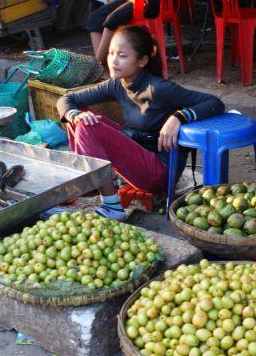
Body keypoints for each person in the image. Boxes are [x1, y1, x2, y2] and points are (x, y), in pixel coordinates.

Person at [58, 25, 224, 220]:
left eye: (122, 55)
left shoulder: (159, 88)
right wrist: (74, 115)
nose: (113, 60)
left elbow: (215, 103)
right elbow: (66, 100)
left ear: (142, 60)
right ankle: (93, 179)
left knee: (87, 126)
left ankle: (112, 206)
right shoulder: (117, 84)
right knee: (78, 117)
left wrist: (179, 117)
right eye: (111, 53)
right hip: (135, 156)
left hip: (158, 173)